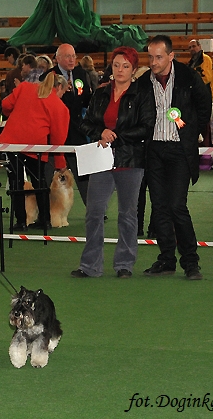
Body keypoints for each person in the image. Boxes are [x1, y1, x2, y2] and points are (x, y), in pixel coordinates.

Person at [71, 46, 156, 278]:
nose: (120, 70)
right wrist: (100, 132)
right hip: (101, 161)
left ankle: (124, 264)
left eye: (125, 66)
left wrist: (115, 136)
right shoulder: (100, 93)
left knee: (128, 214)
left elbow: (146, 127)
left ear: (134, 70)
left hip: (130, 161)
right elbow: (85, 123)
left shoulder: (142, 95)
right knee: (94, 213)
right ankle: (90, 265)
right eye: (116, 65)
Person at [140, 35, 211, 280]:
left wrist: (192, 132)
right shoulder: (144, 81)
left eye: (159, 57)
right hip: (154, 150)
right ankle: (167, 260)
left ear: (171, 56)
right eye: (150, 57)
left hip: (180, 150)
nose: (153, 62)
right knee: (159, 207)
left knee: (177, 206)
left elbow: (204, 105)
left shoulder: (189, 77)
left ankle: (191, 262)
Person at [0, 72, 70, 231]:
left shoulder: (24, 87)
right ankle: (45, 220)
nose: (62, 96)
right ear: (58, 87)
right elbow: (58, 137)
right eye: (63, 93)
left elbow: (5, 105)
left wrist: (15, 114)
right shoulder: (59, 106)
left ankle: (21, 221)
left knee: (16, 182)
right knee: (39, 182)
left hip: (12, 142)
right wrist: (60, 162)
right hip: (36, 147)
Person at [41, 44, 92, 206]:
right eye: (68, 56)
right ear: (58, 59)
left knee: (83, 175)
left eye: (73, 56)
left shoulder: (81, 73)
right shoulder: (49, 76)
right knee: (47, 176)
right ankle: (44, 211)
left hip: (77, 131)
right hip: (54, 134)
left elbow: (87, 97)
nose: (72, 60)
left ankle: (93, 210)